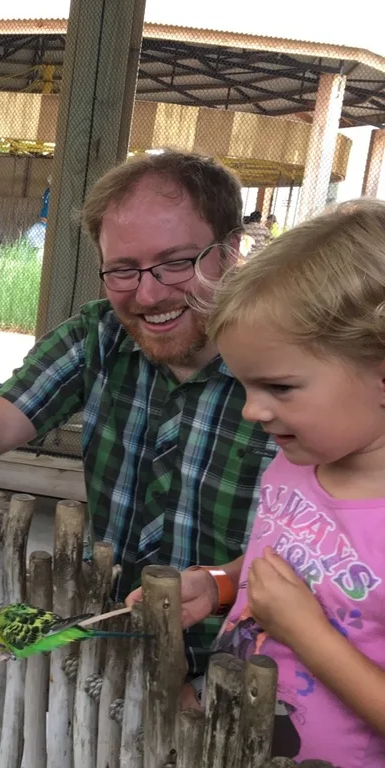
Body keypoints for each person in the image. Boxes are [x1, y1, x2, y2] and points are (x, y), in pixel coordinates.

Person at [0, 150, 278, 686]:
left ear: (230, 252)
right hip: (103, 619)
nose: (149, 293)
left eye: (177, 262)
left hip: (245, 654)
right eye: (123, 269)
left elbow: (333, 550)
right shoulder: (100, 335)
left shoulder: (294, 369)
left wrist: (218, 607)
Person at [129, 199, 385, 765]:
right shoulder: (297, 462)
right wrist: (220, 584)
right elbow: (300, 561)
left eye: (281, 387)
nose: (252, 411)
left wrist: (307, 635)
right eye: (247, 386)